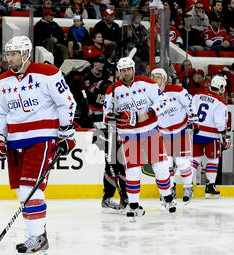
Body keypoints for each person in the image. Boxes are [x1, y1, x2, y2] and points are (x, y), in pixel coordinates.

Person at [0, 36, 76, 255]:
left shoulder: (47, 73)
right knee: (23, 192)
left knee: (31, 189)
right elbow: (0, 113)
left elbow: (67, 102)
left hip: (42, 138)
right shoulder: (3, 80)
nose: (9, 58)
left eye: (14, 54)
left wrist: (66, 132)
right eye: (8, 54)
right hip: (15, 142)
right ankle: (36, 235)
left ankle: (38, 239)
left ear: (26, 54)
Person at [102, 54, 176, 219]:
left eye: (129, 69)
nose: (126, 73)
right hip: (128, 136)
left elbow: (164, 102)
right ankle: (133, 205)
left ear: (133, 69)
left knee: (161, 167)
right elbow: (105, 116)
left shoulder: (146, 83)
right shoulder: (112, 90)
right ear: (119, 72)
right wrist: (115, 118)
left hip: (150, 132)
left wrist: (148, 114)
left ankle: (168, 198)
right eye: (123, 70)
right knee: (133, 171)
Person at [83, 54, 128, 211]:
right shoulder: (108, 86)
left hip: (113, 129)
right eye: (120, 71)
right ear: (115, 73)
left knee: (117, 164)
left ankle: (120, 197)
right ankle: (110, 197)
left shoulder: (117, 87)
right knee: (112, 164)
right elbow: (97, 103)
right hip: (103, 129)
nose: (122, 74)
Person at [151, 68, 196, 204]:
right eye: (153, 76)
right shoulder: (149, 93)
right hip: (162, 132)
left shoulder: (177, 90)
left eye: (158, 77)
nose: (154, 79)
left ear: (164, 79)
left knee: (182, 162)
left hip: (180, 130)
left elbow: (190, 104)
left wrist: (195, 120)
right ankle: (169, 191)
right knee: (166, 164)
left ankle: (188, 187)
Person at [190, 75, 231, 198]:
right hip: (211, 135)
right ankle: (210, 186)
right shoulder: (221, 102)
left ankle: (187, 184)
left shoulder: (197, 95)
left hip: (196, 133)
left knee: (195, 159)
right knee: (213, 159)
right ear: (222, 87)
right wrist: (226, 137)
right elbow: (220, 124)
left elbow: (191, 111)